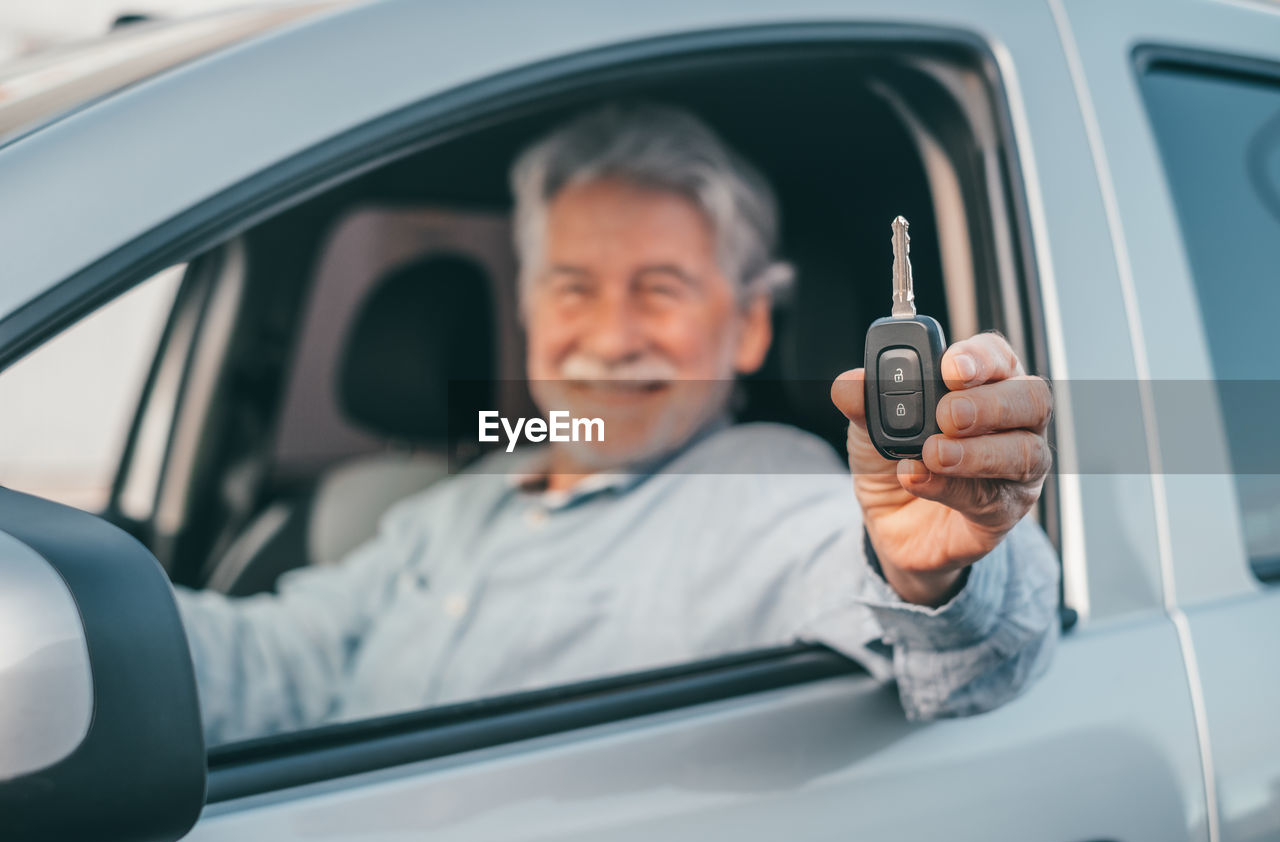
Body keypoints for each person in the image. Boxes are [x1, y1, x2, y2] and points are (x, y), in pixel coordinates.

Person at [176, 103, 1060, 746]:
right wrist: (92, 619)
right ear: (528, 314)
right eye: (573, 288)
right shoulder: (467, 498)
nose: (608, 336)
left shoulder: (761, 488)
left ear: (750, 326)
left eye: (659, 289)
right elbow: (281, 661)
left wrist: (937, 570)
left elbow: (974, 649)